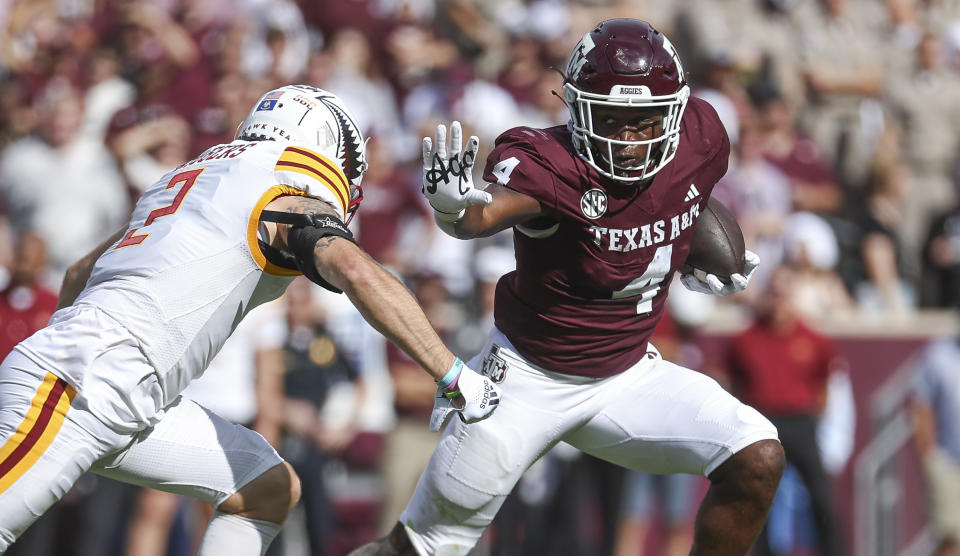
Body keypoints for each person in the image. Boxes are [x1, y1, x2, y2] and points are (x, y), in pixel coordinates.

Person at [0, 84, 502, 555]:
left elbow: (79, 271)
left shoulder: (194, 173)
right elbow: (353, 267)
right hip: (82, 382)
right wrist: (451, 372)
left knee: (265, 486)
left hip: (121, 388)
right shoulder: (281, 187)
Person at [352, 19, 785, 556]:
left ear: (673, 114)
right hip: (525, 381)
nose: (628, 141)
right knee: (418, 548)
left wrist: (694, 250)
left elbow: (677, 199)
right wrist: (453, 211)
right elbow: (481, 216)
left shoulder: (700, 139)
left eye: (644, 123)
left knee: (757, 455)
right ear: (578, 110)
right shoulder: (551, 165)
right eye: (611, 120)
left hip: (628, 375)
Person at [725, 265, 846, 556]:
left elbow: (824, 384)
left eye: (783, 293)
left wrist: (812, 419)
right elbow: (734, 382)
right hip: (763, 424)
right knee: (760, 499)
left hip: (800, 423)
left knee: (821, 498)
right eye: (774, 292)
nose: (778, 300)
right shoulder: (746, 339)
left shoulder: (814, 339)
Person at [910, 332, 960, 556]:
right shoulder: (939, 355)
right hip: (949, 462)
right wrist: (929, 458)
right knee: (949, 539)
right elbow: (921, 404)